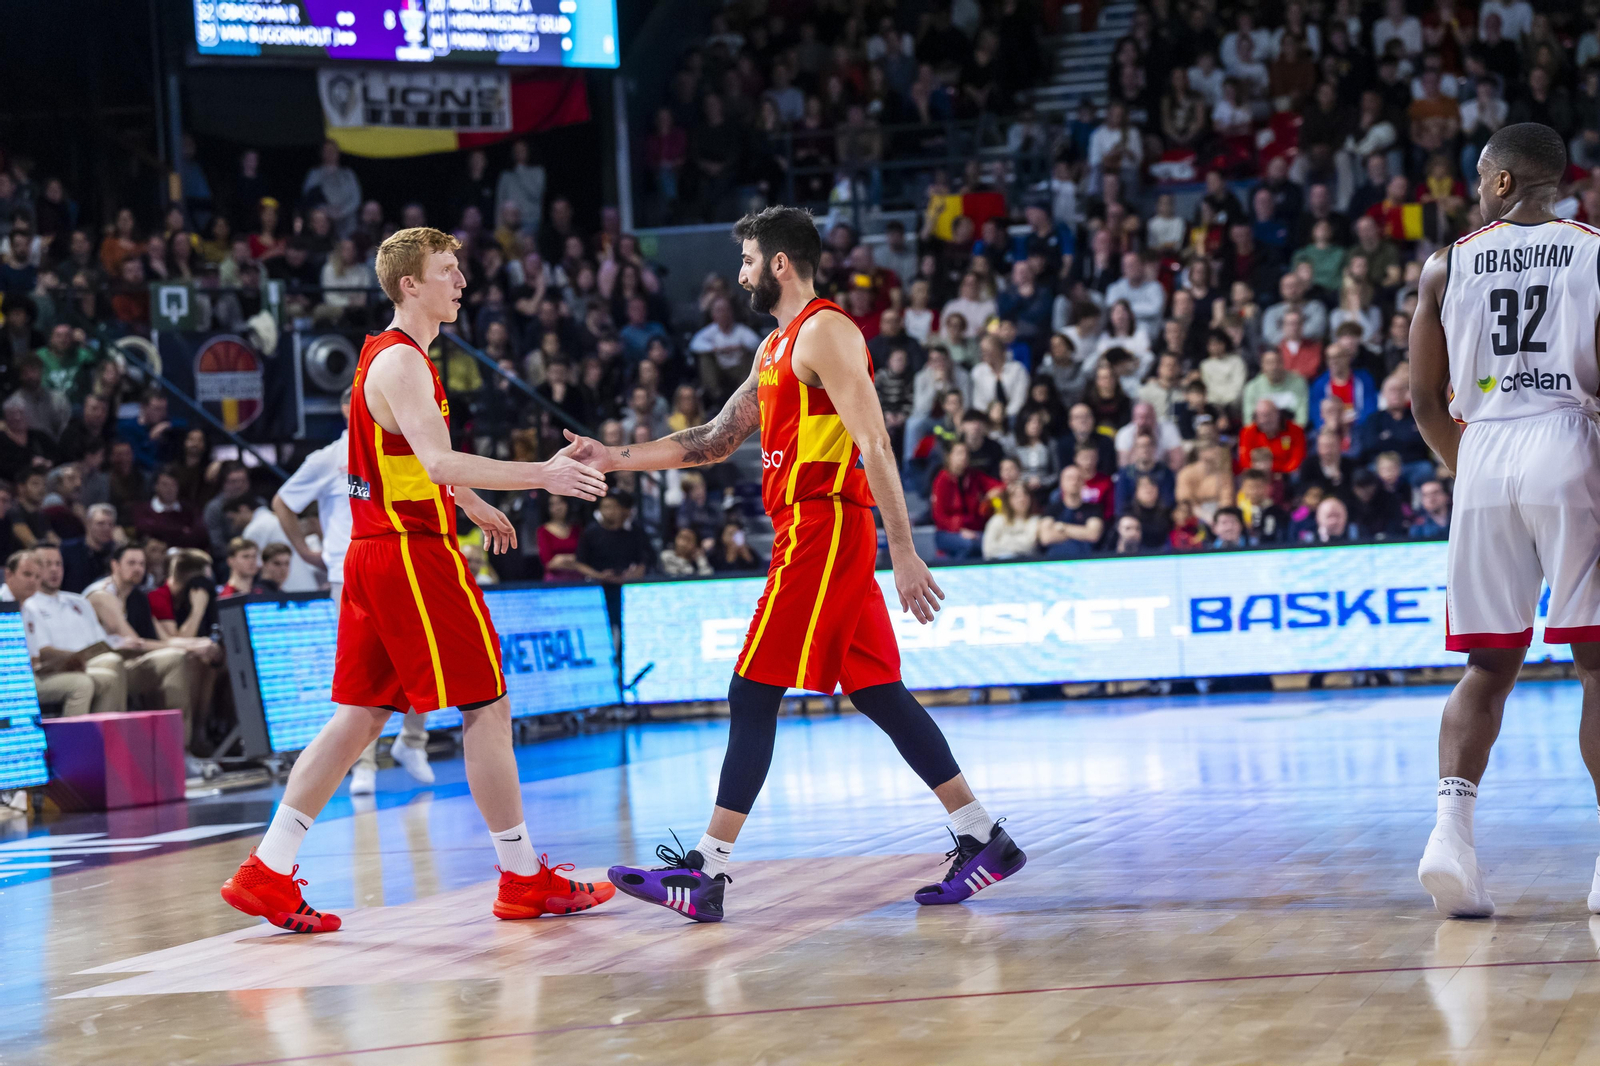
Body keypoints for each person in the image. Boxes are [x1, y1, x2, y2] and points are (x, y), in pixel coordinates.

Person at [563, 206, 1026, 922]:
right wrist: (613, 457)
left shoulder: (826, 331)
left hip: (824, 525)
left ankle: (706, 872)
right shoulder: (776, 346)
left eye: (748, 261)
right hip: (809, 527)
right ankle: (982, 835)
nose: (741, 273)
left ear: (779, 263)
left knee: (752, 693)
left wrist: (903, 548)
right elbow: (716, 438)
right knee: (878, 691)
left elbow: (875, 443)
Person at [221, 225, 614, 934]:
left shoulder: (390, 357)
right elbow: (433, 463)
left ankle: (265, 871)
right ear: (411, 284)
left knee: (360, 716)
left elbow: (410, 459)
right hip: (409, 552)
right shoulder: (401, 363)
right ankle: (523, 878)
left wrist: (471, 499)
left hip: (374, 552)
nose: (461, 281)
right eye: (447, 270)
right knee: (486, 705)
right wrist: (543, 475)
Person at [1408, 123, 1600, 919]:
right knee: (1597, 663)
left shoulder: (1444, 263)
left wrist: (1477, 471)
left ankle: (1450, 836)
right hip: (1572, 440)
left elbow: (1423, 401)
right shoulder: (1593, 249)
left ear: (1499, 183)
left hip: (1481, 451)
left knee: (1487, 666)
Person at [272, 386, 431, 793]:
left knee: (419, 658)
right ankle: (363, 765)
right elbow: (283, 502)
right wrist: (308, 551)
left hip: (399, 564)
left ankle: (413, 741)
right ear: (348, 407)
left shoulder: (403, 444)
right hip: (349, 571)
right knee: (364, 670)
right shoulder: (327, 458)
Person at [59, 501, 116, 593]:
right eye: (100, 523)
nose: (106, 528)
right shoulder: (69, 550)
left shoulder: (115, 552)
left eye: (110, 524)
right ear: (88, 524)